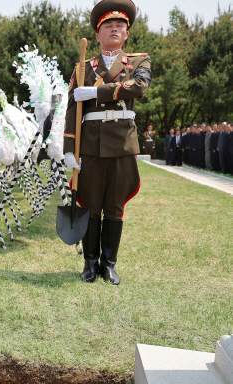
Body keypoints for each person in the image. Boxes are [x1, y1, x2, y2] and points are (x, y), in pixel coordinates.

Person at [63, 0, 150, 285]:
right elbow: (72, 110)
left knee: (114, 205)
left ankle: (109, 264)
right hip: (90, 143)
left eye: (120, 26)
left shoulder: (138, 61)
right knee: (90, 204)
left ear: (126, 34)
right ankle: (89, 263)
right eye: (108, 27)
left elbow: (139, 87)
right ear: (98, 35)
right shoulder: (82, 67)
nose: (114, 30)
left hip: (123, 142)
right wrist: (68, 150)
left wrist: (96, 91)